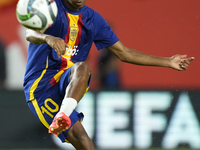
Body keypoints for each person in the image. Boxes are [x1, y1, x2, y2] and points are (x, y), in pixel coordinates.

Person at [24, 0, 194, 149]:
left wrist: (168, 61)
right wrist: (48, 38)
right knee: (83, 140)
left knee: (83, 66)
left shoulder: (93, 19)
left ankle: (64, 114)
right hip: (42, 86)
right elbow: (29, 32)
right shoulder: (49, 8)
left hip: (68, 79)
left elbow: (125, 53)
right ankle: (64, 115)